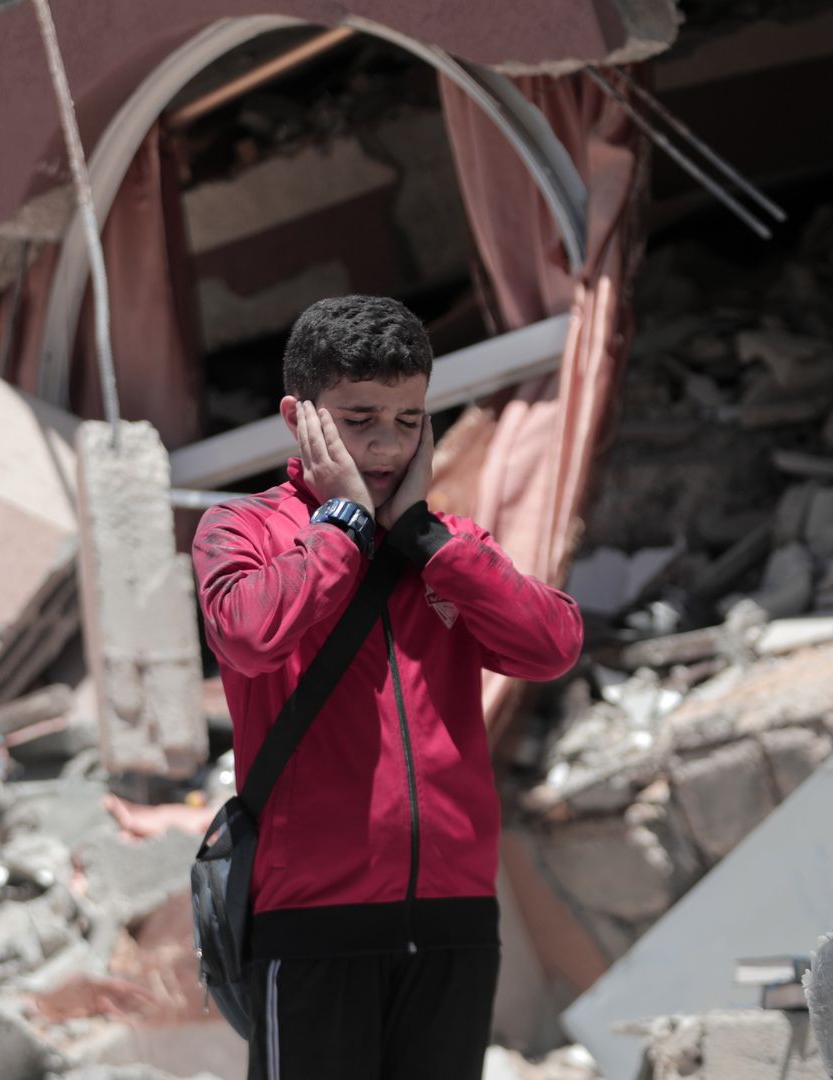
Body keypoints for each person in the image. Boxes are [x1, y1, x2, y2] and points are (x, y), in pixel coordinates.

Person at [192, 295, 584, 1080]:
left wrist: (426, 541)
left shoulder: (448, 547)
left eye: (408, 421)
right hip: (312, 924)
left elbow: (552, 645)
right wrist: (342, 525)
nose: (385, 443)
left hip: (454, 920)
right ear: (298, 417)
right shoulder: (240, 531)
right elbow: (250, 634)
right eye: (360, 418)